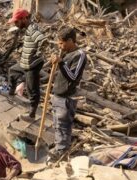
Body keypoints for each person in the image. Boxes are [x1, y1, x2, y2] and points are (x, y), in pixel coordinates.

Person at [49, 27, 87, 160]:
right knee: (57, 124)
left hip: (66, 98)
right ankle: (59, 148)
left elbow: (73, 76)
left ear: (70, 40)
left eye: (61, 43)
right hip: (57, 95)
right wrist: (56, 62)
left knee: (63, 126)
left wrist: (61, 63)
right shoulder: (66, 53)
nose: (60, 46)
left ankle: (62, 152)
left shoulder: (80, 55)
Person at [8, 8, 47, 121]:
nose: (15, 24)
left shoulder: (32, 29)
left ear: (24, 19)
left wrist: (39, 52)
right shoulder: (28, 28)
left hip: (32, 65)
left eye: (17, 21)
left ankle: (32, 114)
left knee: (32, 89)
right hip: (25, 62)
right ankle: (11, 92)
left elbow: (42, 40)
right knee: (12, 71)